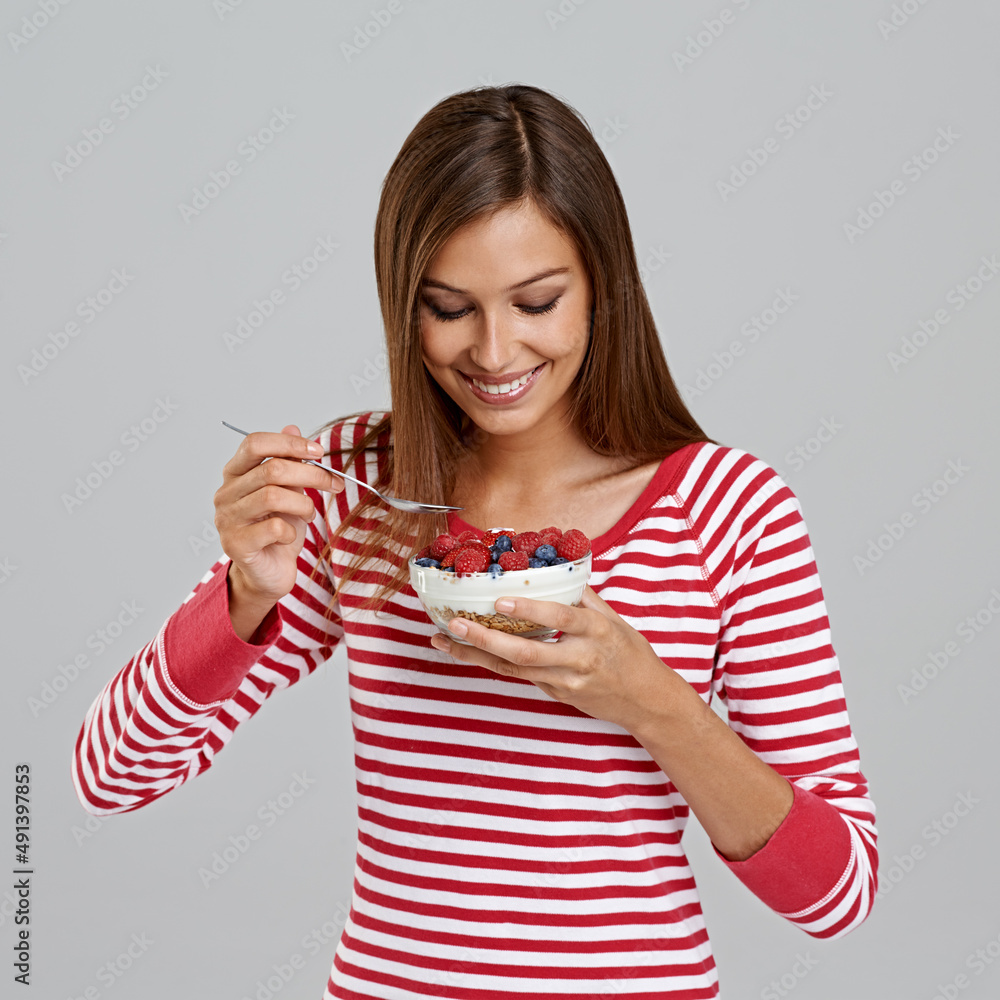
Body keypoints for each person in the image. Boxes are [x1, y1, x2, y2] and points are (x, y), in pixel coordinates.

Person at [72, 84, 878, 999]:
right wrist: (246, 597)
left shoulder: (730, 511)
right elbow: (110, 775)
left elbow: (838, 894)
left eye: (536, 301)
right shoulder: (353, 485)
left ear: (603, 286)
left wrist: (650, 700)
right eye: (449, 308)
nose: (494, 354)